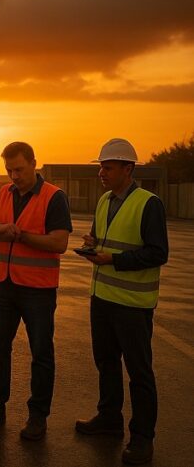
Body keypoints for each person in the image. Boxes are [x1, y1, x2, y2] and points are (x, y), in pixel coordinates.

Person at [0, 141, 72, 441]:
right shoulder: (2, 194)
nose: (14, 176)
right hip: (5, 286)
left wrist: (22, 236)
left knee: (41, 354)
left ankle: (38, 418)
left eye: (19, 169)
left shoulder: (54, 197)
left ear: (35, 164)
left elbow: (59, 243)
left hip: (38, 289)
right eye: (9, 170)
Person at [75, 138, 168, 465]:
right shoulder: (104, 200)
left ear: (128, 169)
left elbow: (158, 253)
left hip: (132, 302)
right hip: (101, 298)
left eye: (108, 167)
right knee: (106, 362)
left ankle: (143, 438)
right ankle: (109, 419)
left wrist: (112, 259)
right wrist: (92, 243)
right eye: (100, 166)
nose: (102, 172)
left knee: (139, 372)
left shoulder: (148, 203)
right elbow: (102, 239)